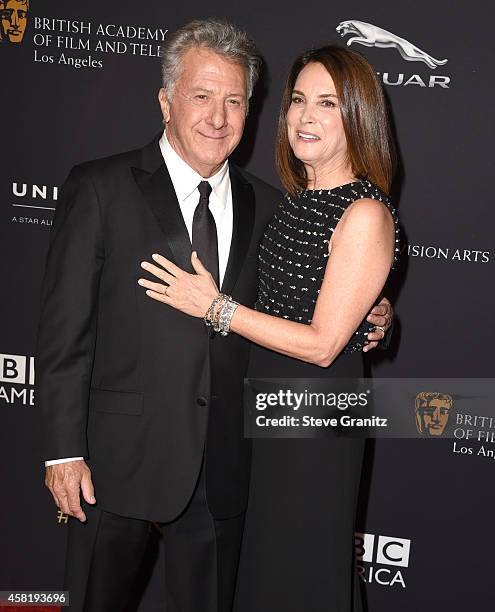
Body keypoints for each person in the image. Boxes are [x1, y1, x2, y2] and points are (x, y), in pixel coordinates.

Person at [36, 19, 392, 612]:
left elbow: (317, 296)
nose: (217, 117)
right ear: (165, 100)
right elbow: (63, 333)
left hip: (234, 470)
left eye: (234, 100)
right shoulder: (100, 188)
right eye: (201, 96)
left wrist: (372, 310)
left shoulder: (273, 204)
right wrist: (62, 452)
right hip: (117, 465)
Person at [138, 44, 399, 611]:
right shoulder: (291, 201)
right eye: (298, 100)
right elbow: (308, 297)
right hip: (266, 400)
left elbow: (326, 344)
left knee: (302, 563)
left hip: (316, 410)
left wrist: (215, 306)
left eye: (328, 103)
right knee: (264, 566)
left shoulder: (365, 212)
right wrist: (373, 311)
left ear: (358, 115)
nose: (306, 117)